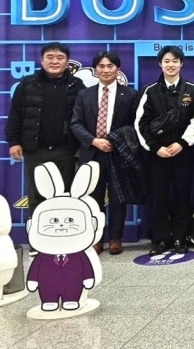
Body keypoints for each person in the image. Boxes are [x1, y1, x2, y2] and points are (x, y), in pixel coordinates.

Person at [6, 41, 86, 252]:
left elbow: (85, 118)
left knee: (65, 195)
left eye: (60, 58)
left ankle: (64, 241)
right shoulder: (27, 84)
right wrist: (14, 141)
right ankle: (38, 242)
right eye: (50, 57)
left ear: (67, 62)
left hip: (66, 150)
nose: (55, 61)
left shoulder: (77, 85)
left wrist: (82, 144)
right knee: (36, 196)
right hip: (35, 149)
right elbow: (15, 114)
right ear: (42, 60)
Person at [70, 51, 139, 255]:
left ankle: (116, 239)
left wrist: (114, 140)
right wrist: (94, 141)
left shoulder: (131, 94)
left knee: (118, 197)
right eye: (101, 66)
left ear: (118, 69)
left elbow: (135, 125)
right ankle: (97, 238)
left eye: (110, 66)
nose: (106, 70)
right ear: (95, 70)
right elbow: (76, 123)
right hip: (92, 152)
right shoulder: (84, 94)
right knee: (93, 197)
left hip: (118, 152)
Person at [135, 45, 194, 256]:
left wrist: (182, 143)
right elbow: (140, 123)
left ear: (181, 64)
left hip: (183, 153)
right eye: (167, 61)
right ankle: (161, 239)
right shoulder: (150, 90)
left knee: (182, 195)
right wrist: (156, 148)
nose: (171, 65)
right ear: (160, 64)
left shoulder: (192, 89)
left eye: (175, 61)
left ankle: (180, 237)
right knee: (158, 197)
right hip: (157, 155)